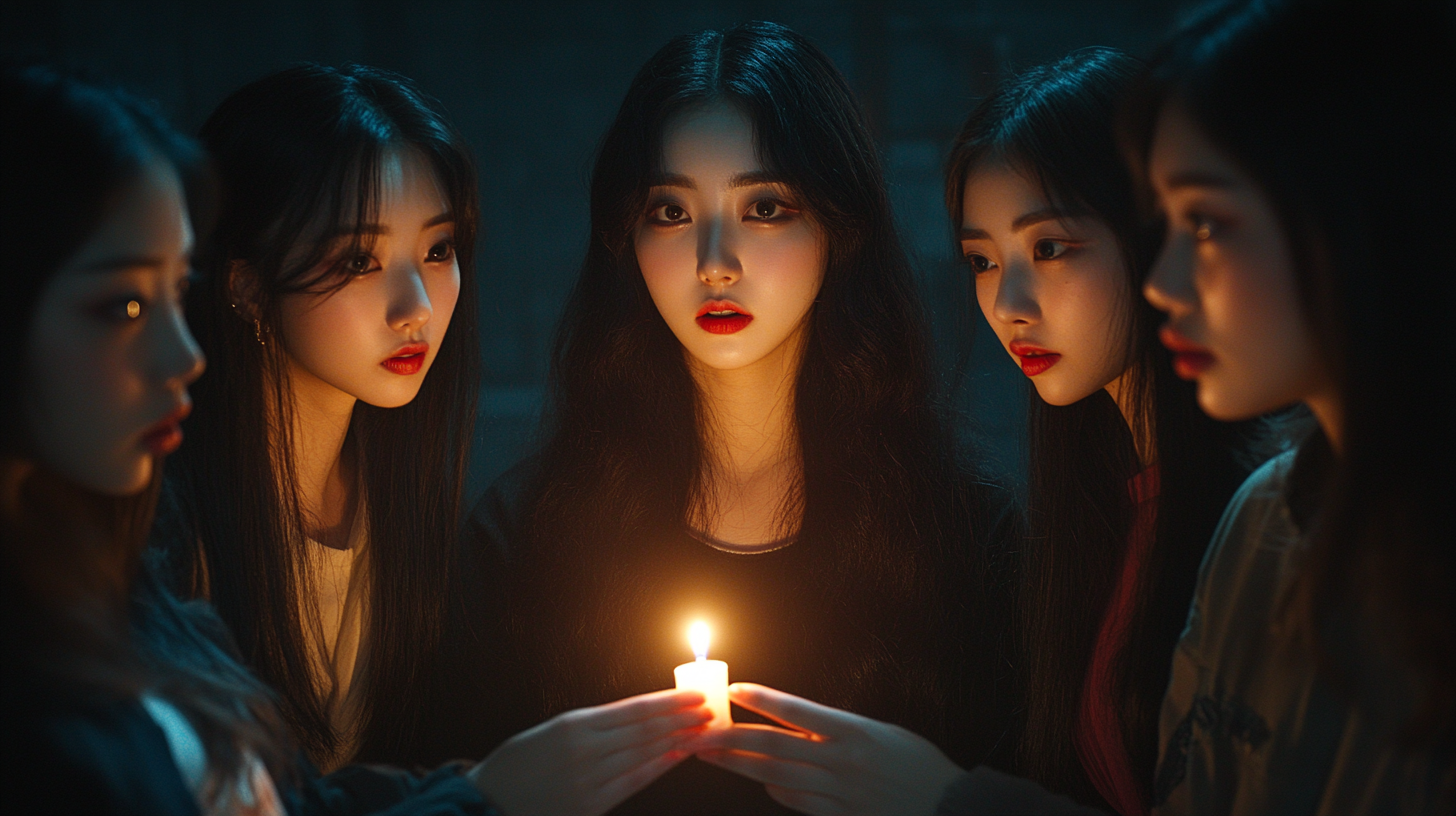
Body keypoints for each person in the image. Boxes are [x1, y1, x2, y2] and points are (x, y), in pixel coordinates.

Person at [1, 63, 712, 816]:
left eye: (439, 252)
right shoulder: (150, 537)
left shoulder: (413, 504)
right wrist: (482, 799)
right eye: (358, 259)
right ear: (243, 285)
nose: (416, 307)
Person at [455, 21, 1019, 815]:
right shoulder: (526, 537)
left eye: (763, 206)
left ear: (837, 226)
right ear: (627, 236)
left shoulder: (963, 542)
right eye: (672, 212)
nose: (714, 259)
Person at [689, 46, 1251, 816]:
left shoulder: (1257, 518)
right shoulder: (1104, 516)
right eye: (981, 262)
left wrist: (946, 796)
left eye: (1050, 248)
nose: (1009, 302)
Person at [1130, 0, 1455, 811]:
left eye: (1207, 223)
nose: (1160, 284)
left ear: (1362, 210)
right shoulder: (1263, 521)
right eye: (1166, 222)